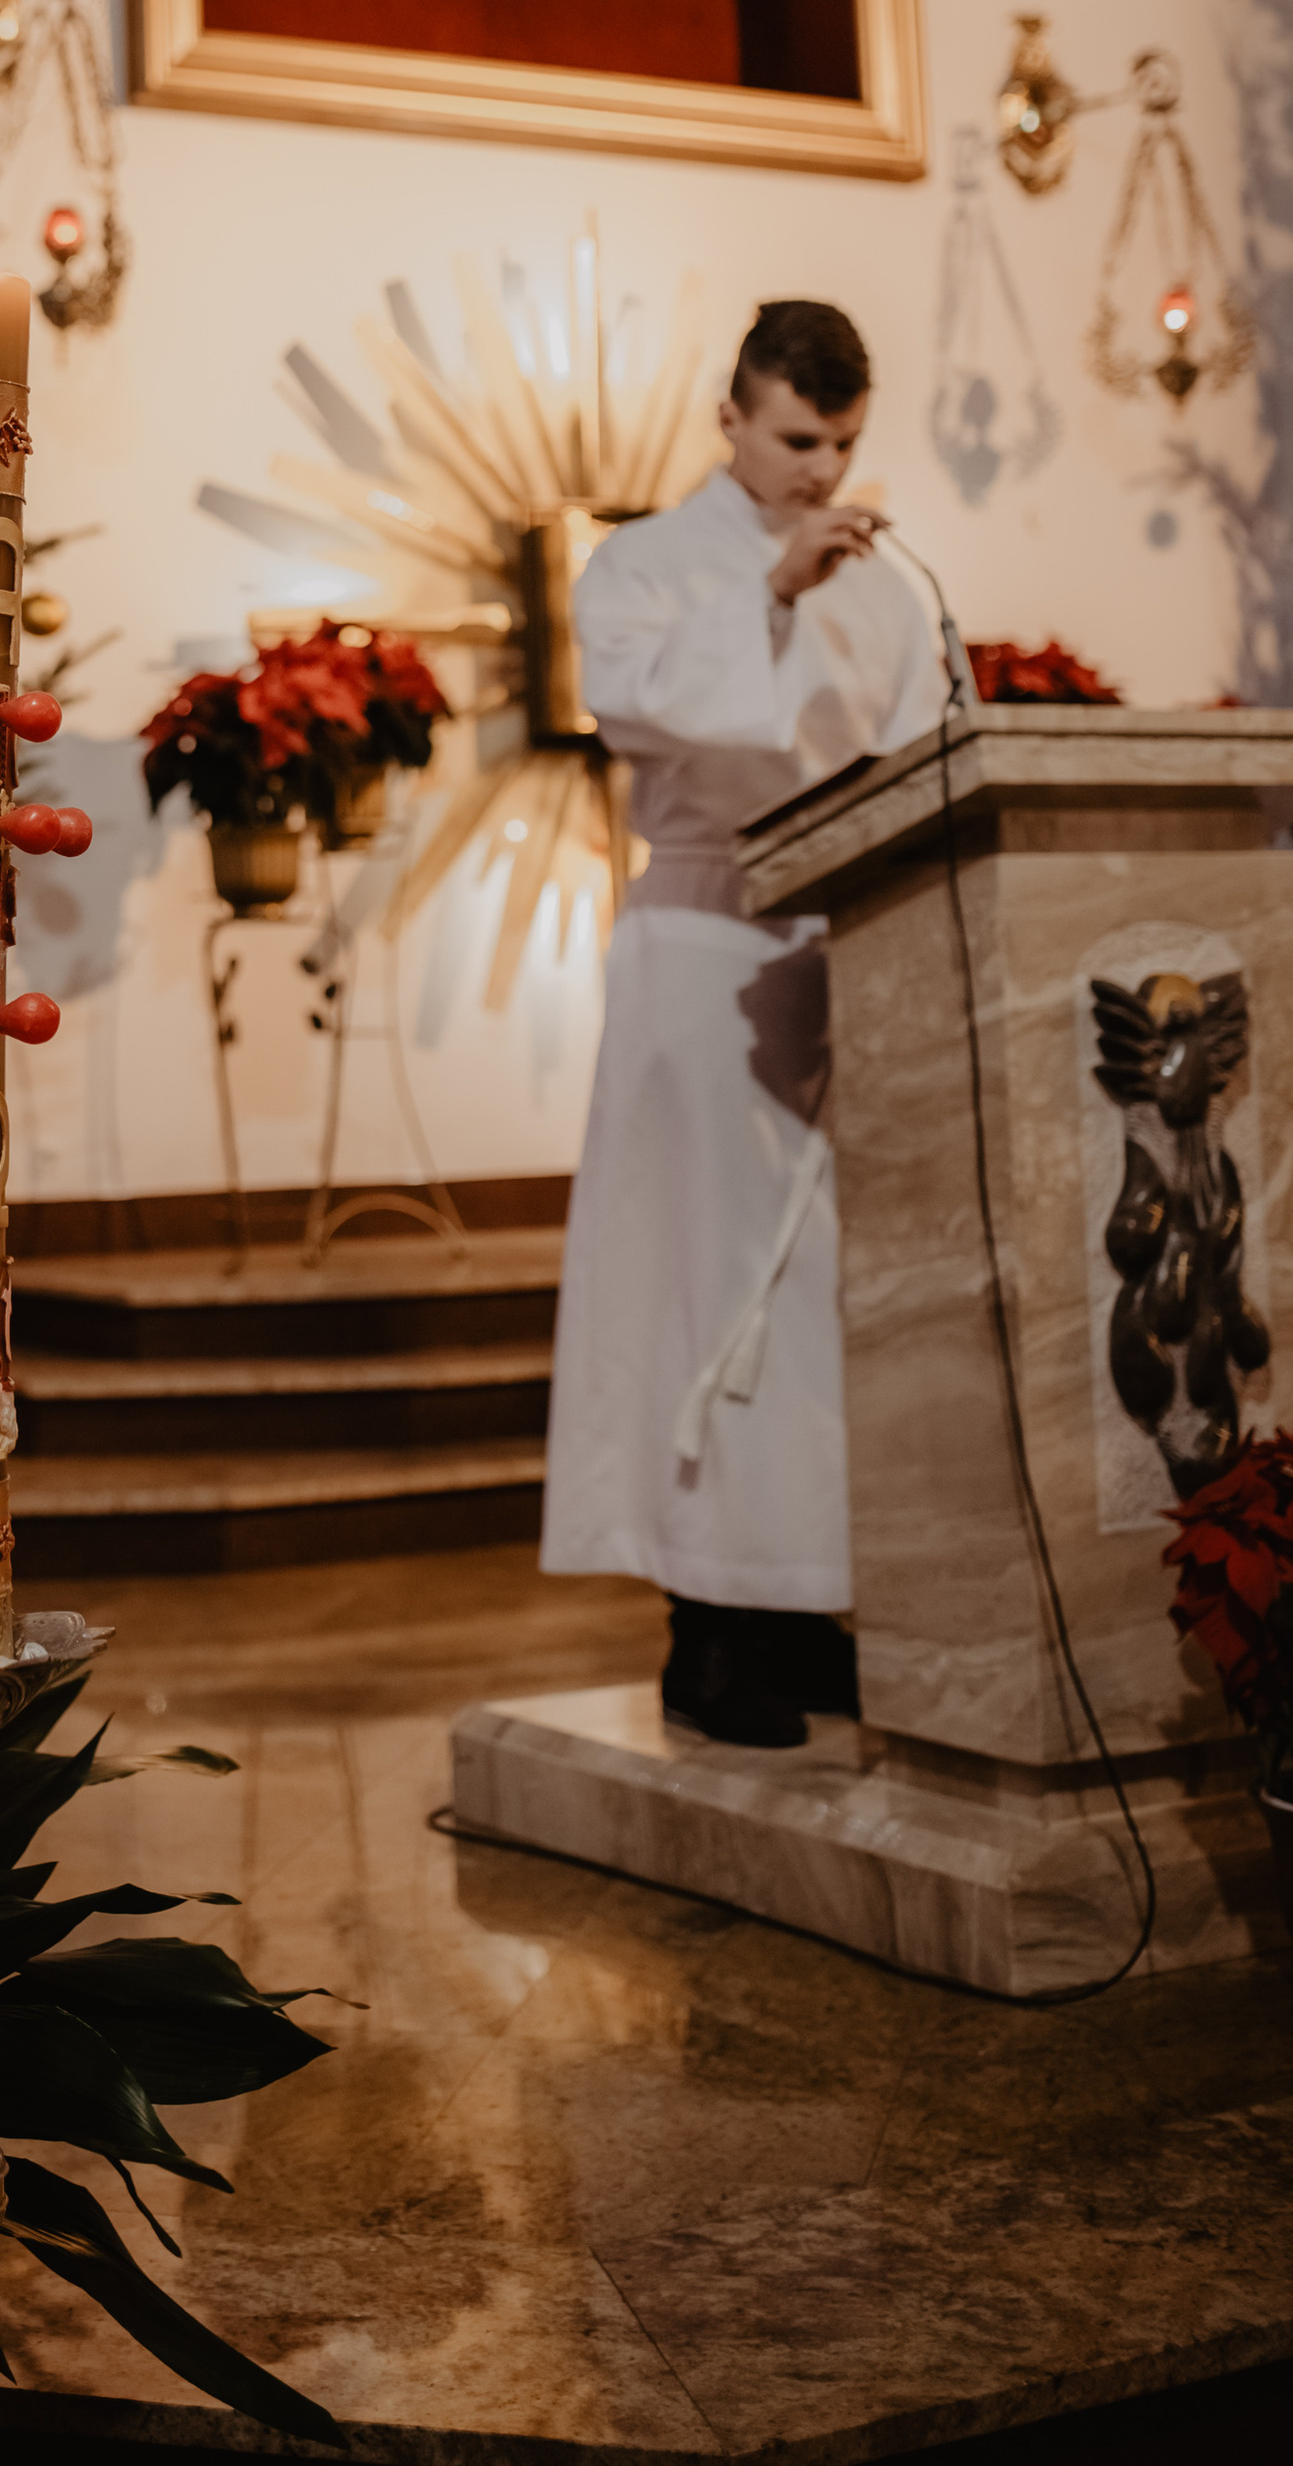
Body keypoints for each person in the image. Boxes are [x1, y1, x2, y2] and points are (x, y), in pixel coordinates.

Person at [538, 300, 948, 1746]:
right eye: (794, 437)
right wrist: (769, 594)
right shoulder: (645, 563)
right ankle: (705, 1634)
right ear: (730, 416)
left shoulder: (887, 587)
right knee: (703, 1286)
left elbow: (923, 752)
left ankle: (808, 1604)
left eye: (841, 441)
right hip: (705, 944)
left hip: (848, 952)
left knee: (828, 1301)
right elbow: (644, 706)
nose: (822, 468)